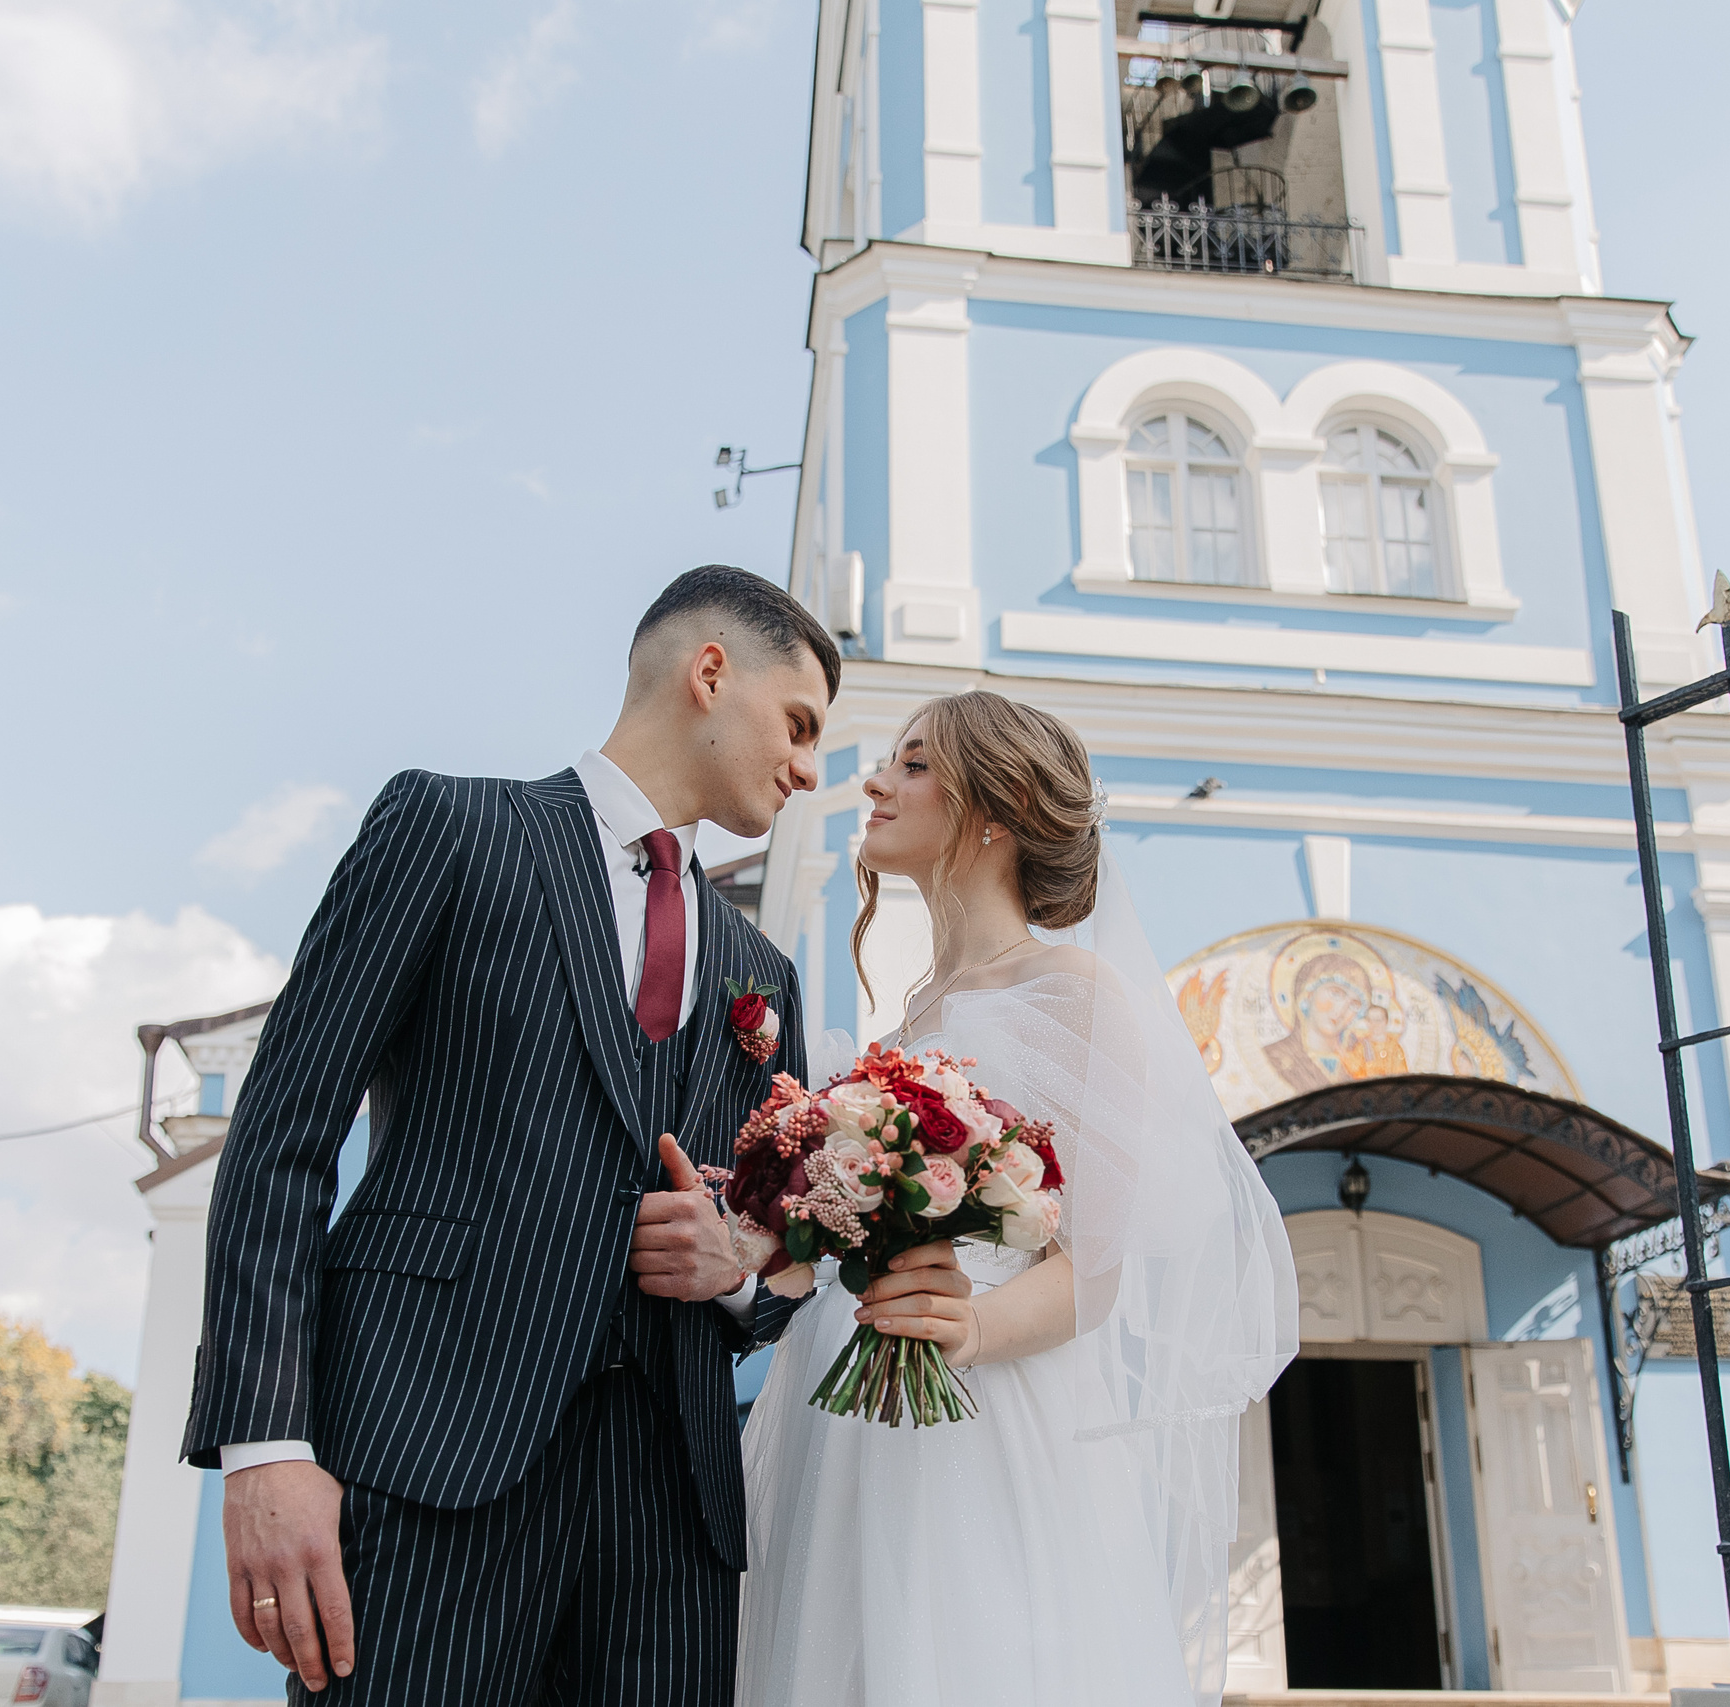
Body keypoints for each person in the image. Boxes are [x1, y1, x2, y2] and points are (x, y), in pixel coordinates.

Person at [181, 566, 837, 1703]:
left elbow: (786, 1260)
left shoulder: (761, 974)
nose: (809, 767)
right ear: (710, 672)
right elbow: (282, 1136)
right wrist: (267, 1449)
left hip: (668, 1524)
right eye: (800, 722)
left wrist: (736, 1276)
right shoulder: (449, 826)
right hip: (428, 1464)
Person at [736, 690, 1300, 1707]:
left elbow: (1096, 1272)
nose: (875, 781)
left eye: (912, 764)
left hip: (979, 1414)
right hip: (844, 1402)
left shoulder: (1072, 995)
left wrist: (967, 1329)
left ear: (993, 810)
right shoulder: (910, 1015)